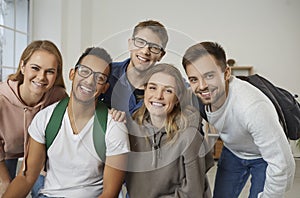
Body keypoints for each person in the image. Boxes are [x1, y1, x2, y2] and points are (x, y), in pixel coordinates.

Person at [3, 47, 130, 198]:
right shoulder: (45, 118)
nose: (89, 81)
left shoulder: (114, 126)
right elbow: (26, 177)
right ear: (72, 74)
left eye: (99, 78)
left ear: (105, 88)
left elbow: (110, 193)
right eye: (84, 71)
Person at [182, 41, 296, 198]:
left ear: (227, 73)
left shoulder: (252, 107)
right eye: (194, 79)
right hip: (233, 151)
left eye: (209, 76)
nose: (202, 86)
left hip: (263, 157)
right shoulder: (196, 96)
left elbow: (281, 164)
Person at [125, 63, 214, 198]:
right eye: (153, 88)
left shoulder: (189, 136)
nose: (158, 96)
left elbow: (194, 193)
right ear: (145, 91)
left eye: (168, 91)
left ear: (177, 98)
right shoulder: (130, 129)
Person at [0, 40, 68, 196]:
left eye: (50, 71)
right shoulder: (2, 99)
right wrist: (5, 182)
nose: (41, 77)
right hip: (4, 156)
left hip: (39, 157)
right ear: (23, 66)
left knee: (44, 192)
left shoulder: (59, 98)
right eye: (35, 68)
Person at [100, 20, 168, 115]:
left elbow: (189, 92)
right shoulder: (107, 72)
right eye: (140, 42)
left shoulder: (168, 85)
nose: (145, 52)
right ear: (130, 44)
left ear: (161, 55)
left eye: (154, 47)